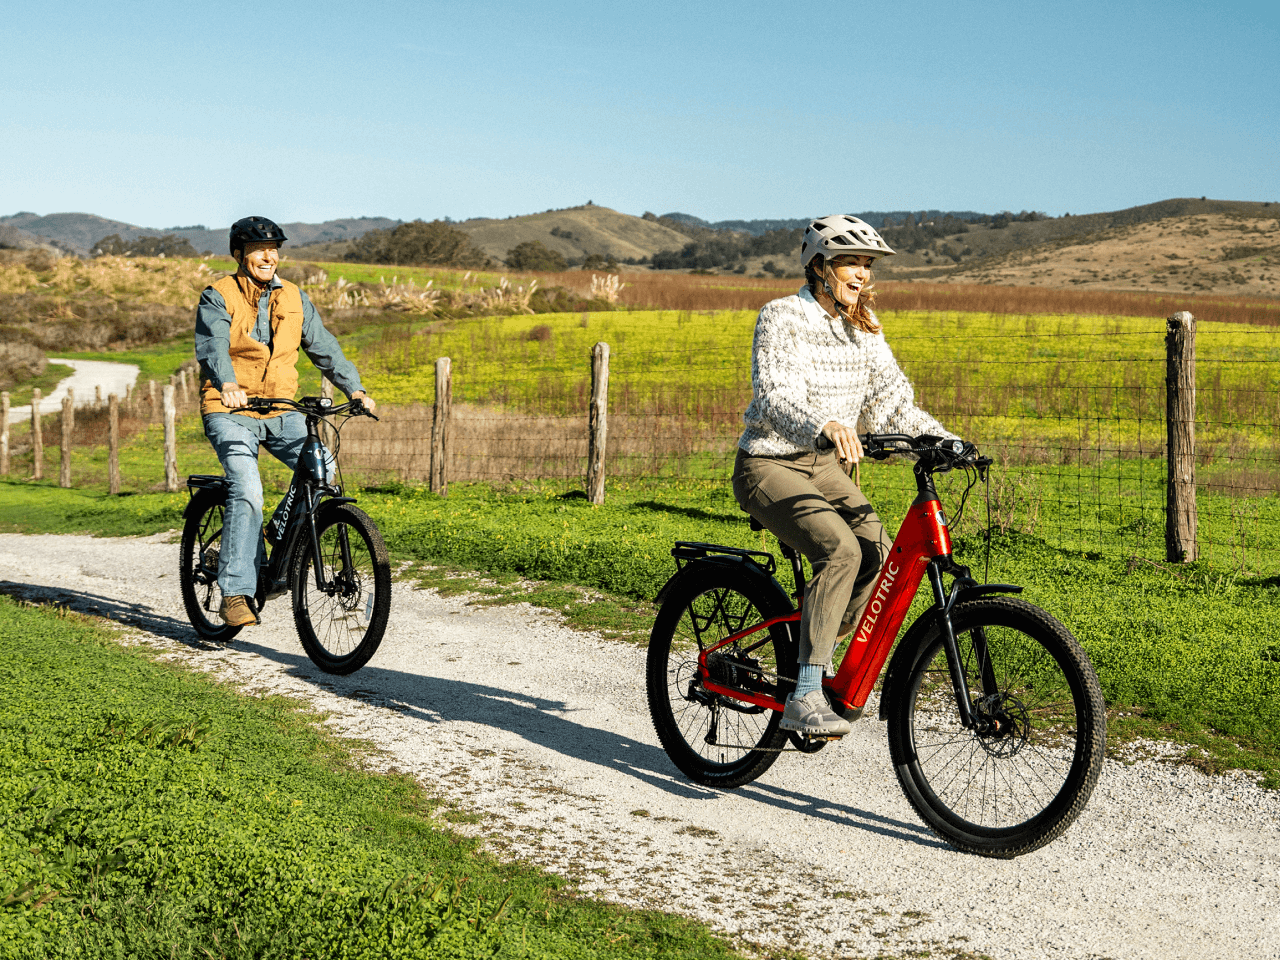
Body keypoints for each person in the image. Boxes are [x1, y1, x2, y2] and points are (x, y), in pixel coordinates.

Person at [732, 215, 957, 737]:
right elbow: (775, 395)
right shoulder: (781, 316)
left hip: (822, 466)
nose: (861, 273)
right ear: (819, 266)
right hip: (768, 462)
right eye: (850, 261)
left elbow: (892, 404)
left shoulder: (864, 330)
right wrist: (825, 425)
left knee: (878, 550)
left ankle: (815, 655)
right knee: (841, 550)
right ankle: (804, 694)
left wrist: (943, 439)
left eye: (867, 264)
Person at [194, 216, 376, 627]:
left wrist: (355, 389)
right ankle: (236, 592)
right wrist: (226, 382)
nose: (268, 255)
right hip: (230, 410)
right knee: (248, 489)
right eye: (259, 249)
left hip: (281, 410)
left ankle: (274, 535)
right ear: (239, 254)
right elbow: (213, 346)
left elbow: (323, 345)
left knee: (323, 472)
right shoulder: (218, 295)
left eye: (274, 248)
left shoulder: (294, 296)